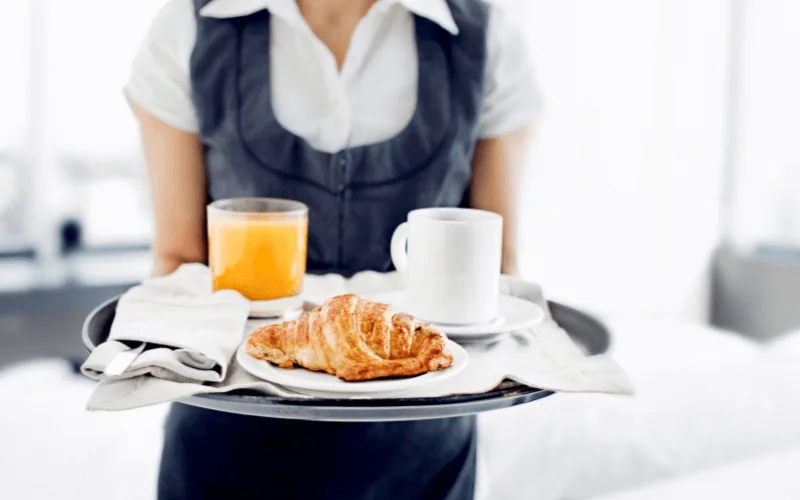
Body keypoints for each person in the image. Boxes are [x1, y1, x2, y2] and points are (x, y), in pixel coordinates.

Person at [127, 0, 540, 498]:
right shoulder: (190, 27)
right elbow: (178, 262)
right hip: (228, 441)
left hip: (422, 449)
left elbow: (494, 271)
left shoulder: (484, 34)